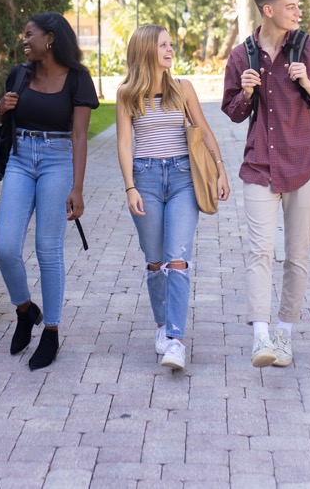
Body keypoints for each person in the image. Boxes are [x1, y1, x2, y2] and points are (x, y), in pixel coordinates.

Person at [222, 0, 310, 368]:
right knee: (259, 251)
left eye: (298, 5)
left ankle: (285, 335)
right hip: (260, 163)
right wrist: (244, 92)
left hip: (306, 164)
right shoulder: (242, 55)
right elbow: (234, 112)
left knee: (296, 256)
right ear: (268, 9)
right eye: (290, 6)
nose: (298, 11)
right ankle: (261, 337)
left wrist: (309, 84)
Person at [116, 25, 231, 372]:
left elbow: (204, 130)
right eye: (162, 45)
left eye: (170, 44)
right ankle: (163, 326)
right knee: (155, 262)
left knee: (177, 259)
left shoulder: (182, 88)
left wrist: (220, 168)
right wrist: (129, 187)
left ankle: (176, 340)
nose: (170, 50)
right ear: (146, 51)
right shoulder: (125, 94)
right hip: (146, 179)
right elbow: (124, 144)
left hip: (183, 178)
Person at [0, 13, 98, 370]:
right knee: (5, 247)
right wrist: (0, 109)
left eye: (29, 35)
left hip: (57, 160)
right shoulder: (20, 74)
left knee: (47, 248)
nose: (24, 40)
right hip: (21, 159)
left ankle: (50, 331)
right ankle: (25, 310)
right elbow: (3, 119)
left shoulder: (79, 79)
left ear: (50, 38)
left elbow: (80, 136)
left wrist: (78, 187)